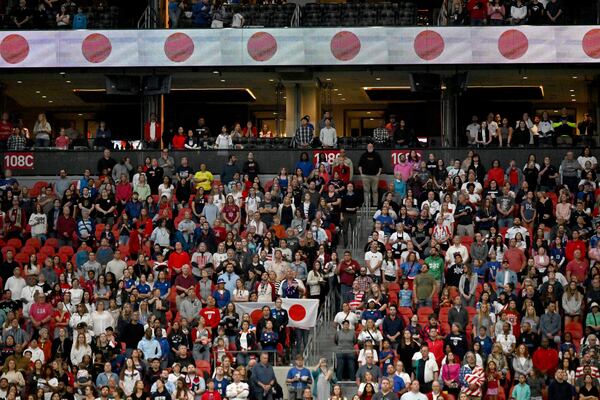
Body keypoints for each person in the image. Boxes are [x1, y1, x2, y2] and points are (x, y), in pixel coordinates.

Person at [358, 143, 384, 207]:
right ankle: (367, 204)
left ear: (373, 147)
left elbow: (380, 166)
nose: (370, 147)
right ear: (367, 147)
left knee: (375, 191)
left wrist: (378, 174)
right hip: (365, 176)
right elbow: (359, 165)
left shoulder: (377, 155)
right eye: (369, 146)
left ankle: (375, 204)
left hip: (375, 176)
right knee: (366, 191)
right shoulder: (363, 155)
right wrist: (361, 174)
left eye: (371, 146)